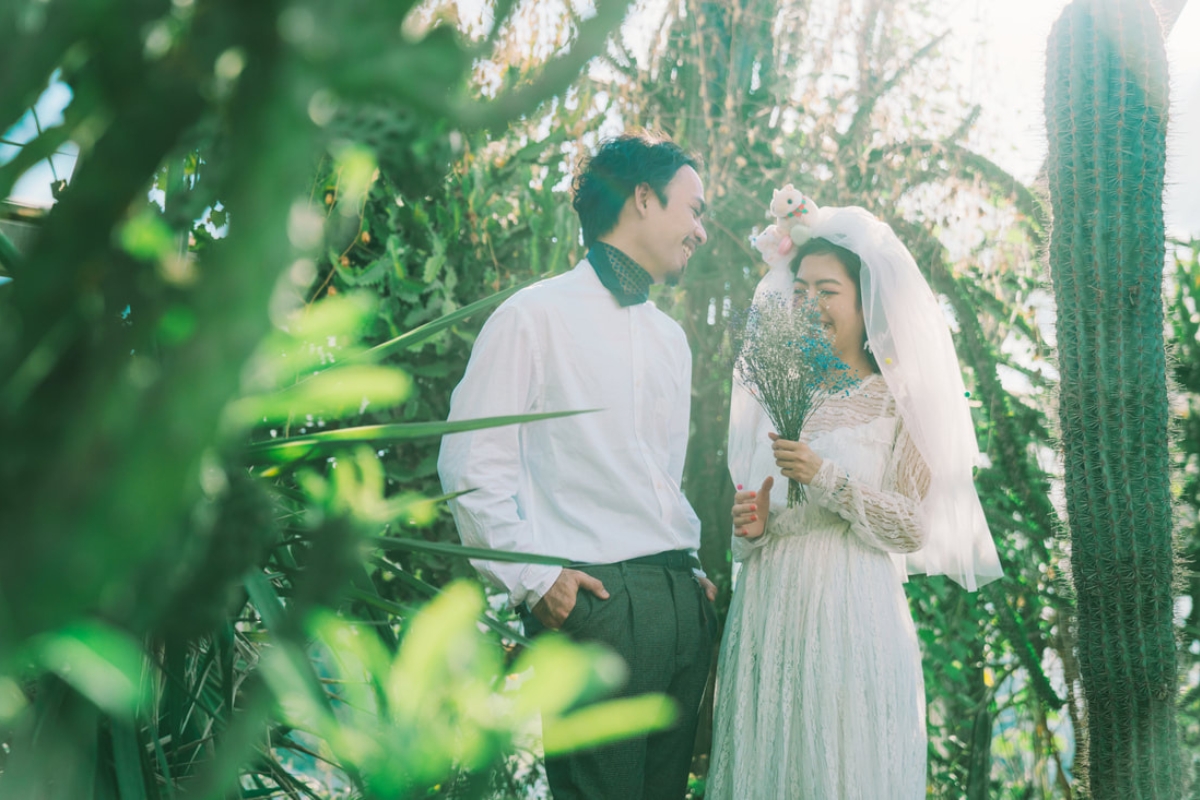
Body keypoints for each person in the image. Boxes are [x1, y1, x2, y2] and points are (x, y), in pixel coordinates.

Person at [437, 130, 718, 800]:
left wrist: (693, 579)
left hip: (683, 605)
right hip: (598, 608)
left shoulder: (672, 341)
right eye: (695, 208)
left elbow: (655, 478)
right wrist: (535, 581)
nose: (701, 232)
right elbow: (472, 463)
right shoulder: (531, 317)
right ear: (643, 200)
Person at [707, 195, 1003, 799]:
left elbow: (911, 527)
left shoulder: (900, 400)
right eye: (800, 292)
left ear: (866, 304)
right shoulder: (778, 393)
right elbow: (752, 528)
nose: (809, 305)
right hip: (771, 608)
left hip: (852, 610)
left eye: (827, 291)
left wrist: (828, 479)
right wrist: (754, 525)